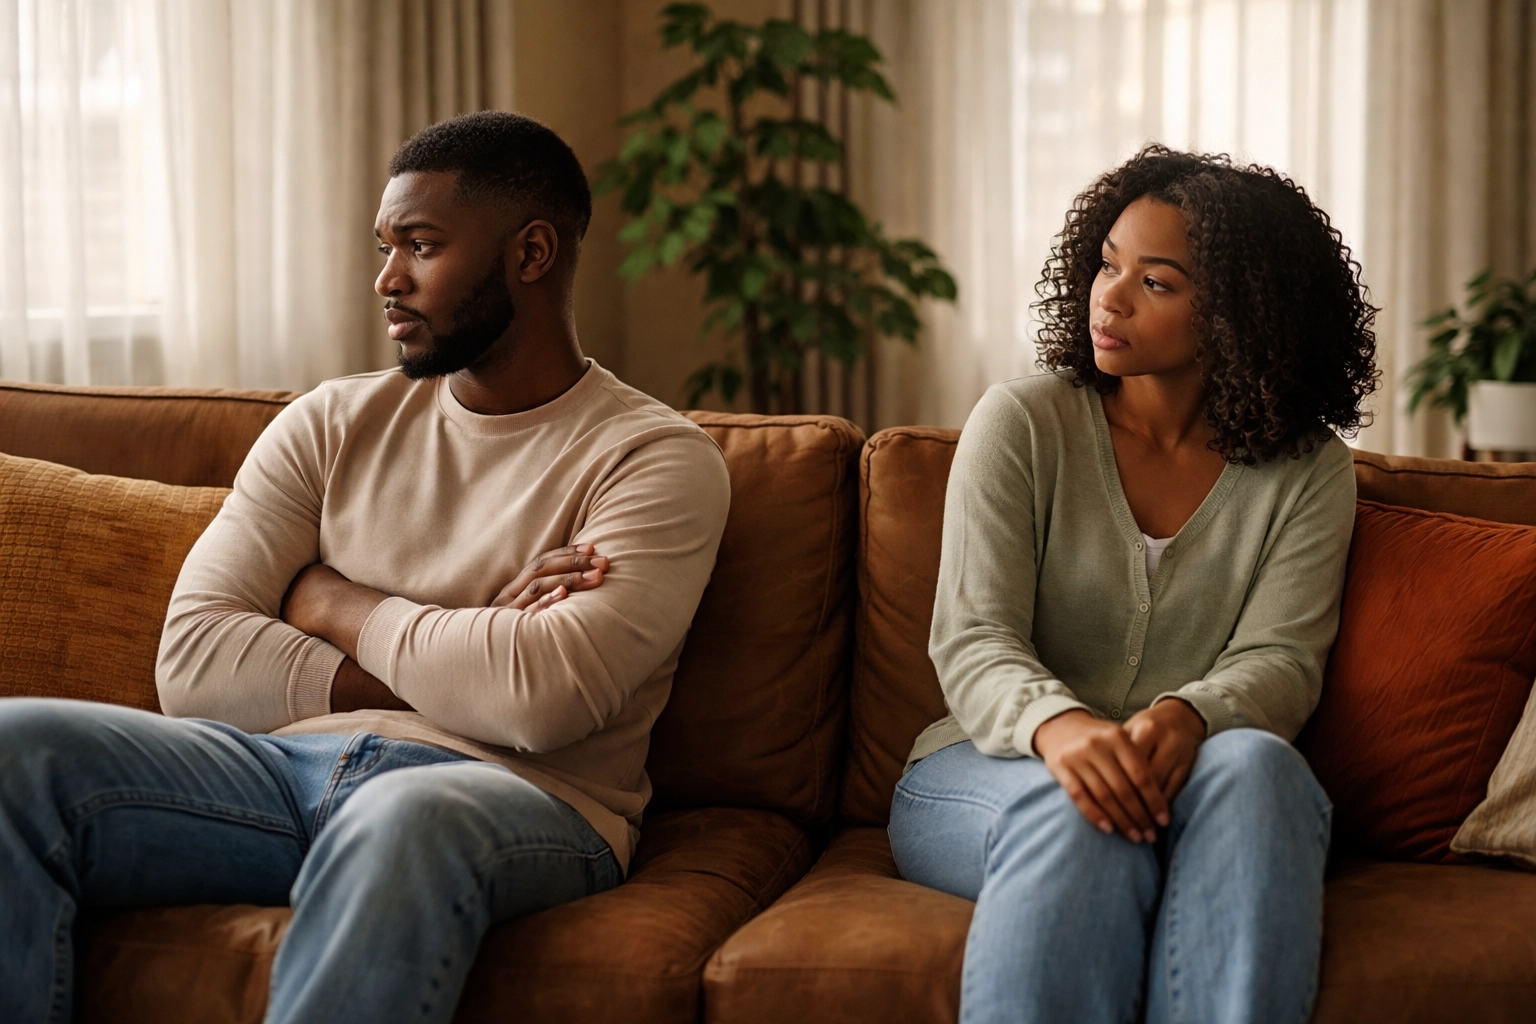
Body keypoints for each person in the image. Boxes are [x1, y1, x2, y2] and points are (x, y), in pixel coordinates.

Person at [0, 111, 731, 1024]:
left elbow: (541, 698)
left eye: (421, 247)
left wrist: (332, 600)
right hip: (274, 776)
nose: (387, 282)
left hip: (515, 800)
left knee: (404, 817)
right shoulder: (328, 422)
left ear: (532, 253)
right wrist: (468, 650)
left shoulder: (655, 457)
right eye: (384, 248)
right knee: (12, 746)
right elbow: (190, 664)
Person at [887, 146, 1379, 1024]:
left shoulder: (1308, 471)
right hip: (988, 765)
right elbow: (974, 638)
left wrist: (1190, 716)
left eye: (1157, 282)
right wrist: (1063, 729)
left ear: (1239, 314)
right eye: (1107, 263)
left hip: (1189, 773)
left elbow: (1282, 658)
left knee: (1262, 766)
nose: (1109, 297)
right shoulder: (1024, 422)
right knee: (1082, 813)